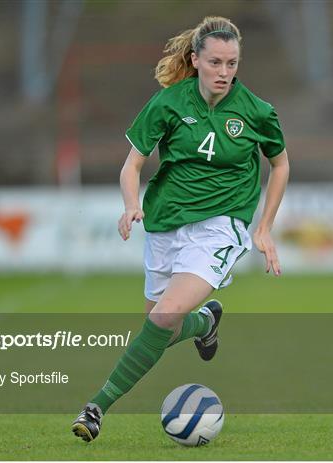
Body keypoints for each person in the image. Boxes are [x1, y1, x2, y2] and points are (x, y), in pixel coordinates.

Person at [72, 15, 289, 442]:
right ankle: (204, 324)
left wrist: (263, 228)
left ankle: (97, 406)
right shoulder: (169, 103)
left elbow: (280, 165)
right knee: (159, 326)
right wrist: (132, 205)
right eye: (215, 63)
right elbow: (132, 165)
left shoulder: (257, 112)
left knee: (163, 317)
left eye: (232, 63)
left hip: (221, 228)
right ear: (196, 59)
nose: (224, 73)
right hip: (164, 227)